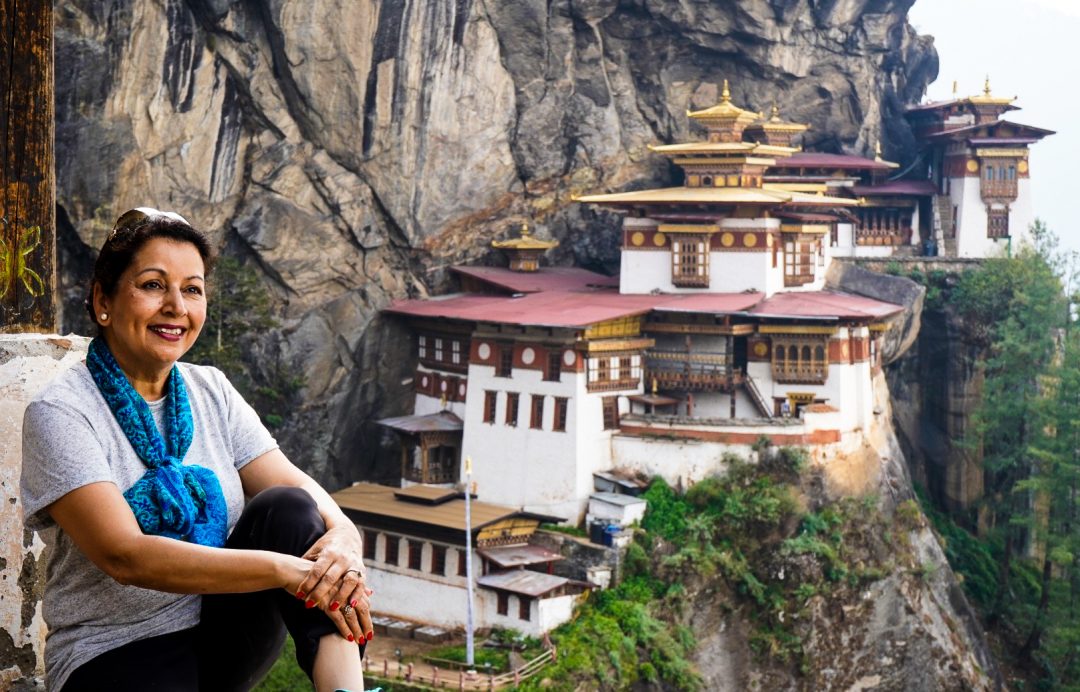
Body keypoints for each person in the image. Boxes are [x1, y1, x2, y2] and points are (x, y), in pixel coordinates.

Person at [20, 208, 374, 692]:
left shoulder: (212, 390)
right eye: (152, 285)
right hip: (115, 652)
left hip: (222, 632)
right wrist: (286, 571)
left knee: (290, 510)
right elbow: (126, 556)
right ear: (103, 301)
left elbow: (296, 486)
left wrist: (345, 542)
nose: (176, 307)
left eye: (192, 289)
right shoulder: (62, 411)